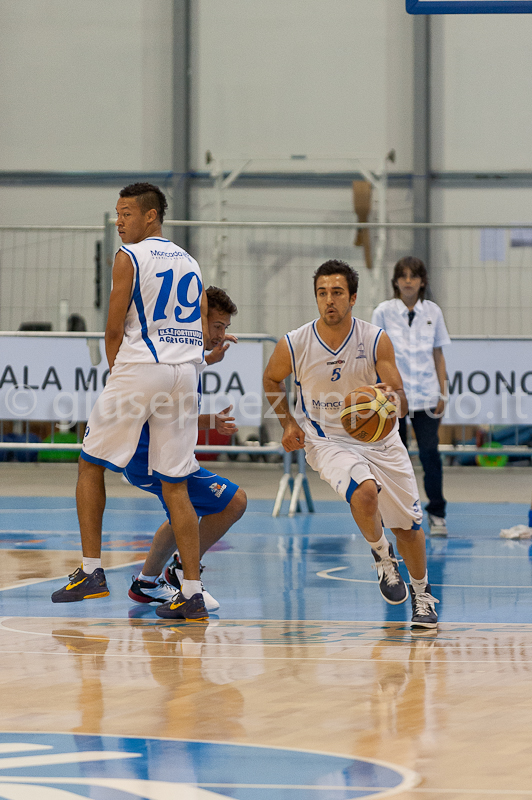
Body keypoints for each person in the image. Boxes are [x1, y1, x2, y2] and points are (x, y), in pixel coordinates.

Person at [52, 182, 209, 622]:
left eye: (125, 214)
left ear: (151, 216)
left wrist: (115, 375)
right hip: (185, 374)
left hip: (142, 367)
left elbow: (114, 328)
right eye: (117, 214)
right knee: (174, 483)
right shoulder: (190, 260)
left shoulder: (130, 256)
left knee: (89, 462)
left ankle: (91, 571)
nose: (119, 222)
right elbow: (192, 324)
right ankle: (192, 592)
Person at [263, 259, 438, 628]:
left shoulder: (375, 338)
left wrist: (384, 397)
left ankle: (422, 595)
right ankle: (382, 555)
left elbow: (399, 396)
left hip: (381, 440)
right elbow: (271, 379)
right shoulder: (294, 343)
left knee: (408, 527)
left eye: (337, 293)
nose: (330, 300)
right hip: (327, 440)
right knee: (365, 494)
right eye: (322, 293)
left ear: (353, 297)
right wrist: (287, 423)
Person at [124, 286, 247, 614]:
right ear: (198, 319)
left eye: (225, 328)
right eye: (217, 325)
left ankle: (147, 583)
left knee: (178, 519)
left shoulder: (189, 355)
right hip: (152, 456)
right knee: (234, 502)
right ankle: (182, 572)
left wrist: (211, 420)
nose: (221, 334)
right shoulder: (176, 352)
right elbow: (160, 408)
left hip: (157, 455)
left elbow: (177, 409)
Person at [372, 256, 451, 537]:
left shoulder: (433, 311)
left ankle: (437, 513)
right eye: (403, 276)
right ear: (395, 281)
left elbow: (438, 353)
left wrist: (443, 391)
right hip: (393, 398)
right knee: (395, 457)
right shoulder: (382, 311)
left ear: (422, 281)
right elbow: (374, 354)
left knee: (431, 454)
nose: (408, 280)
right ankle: (398, 511)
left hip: (427, 395)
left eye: (413, 276)